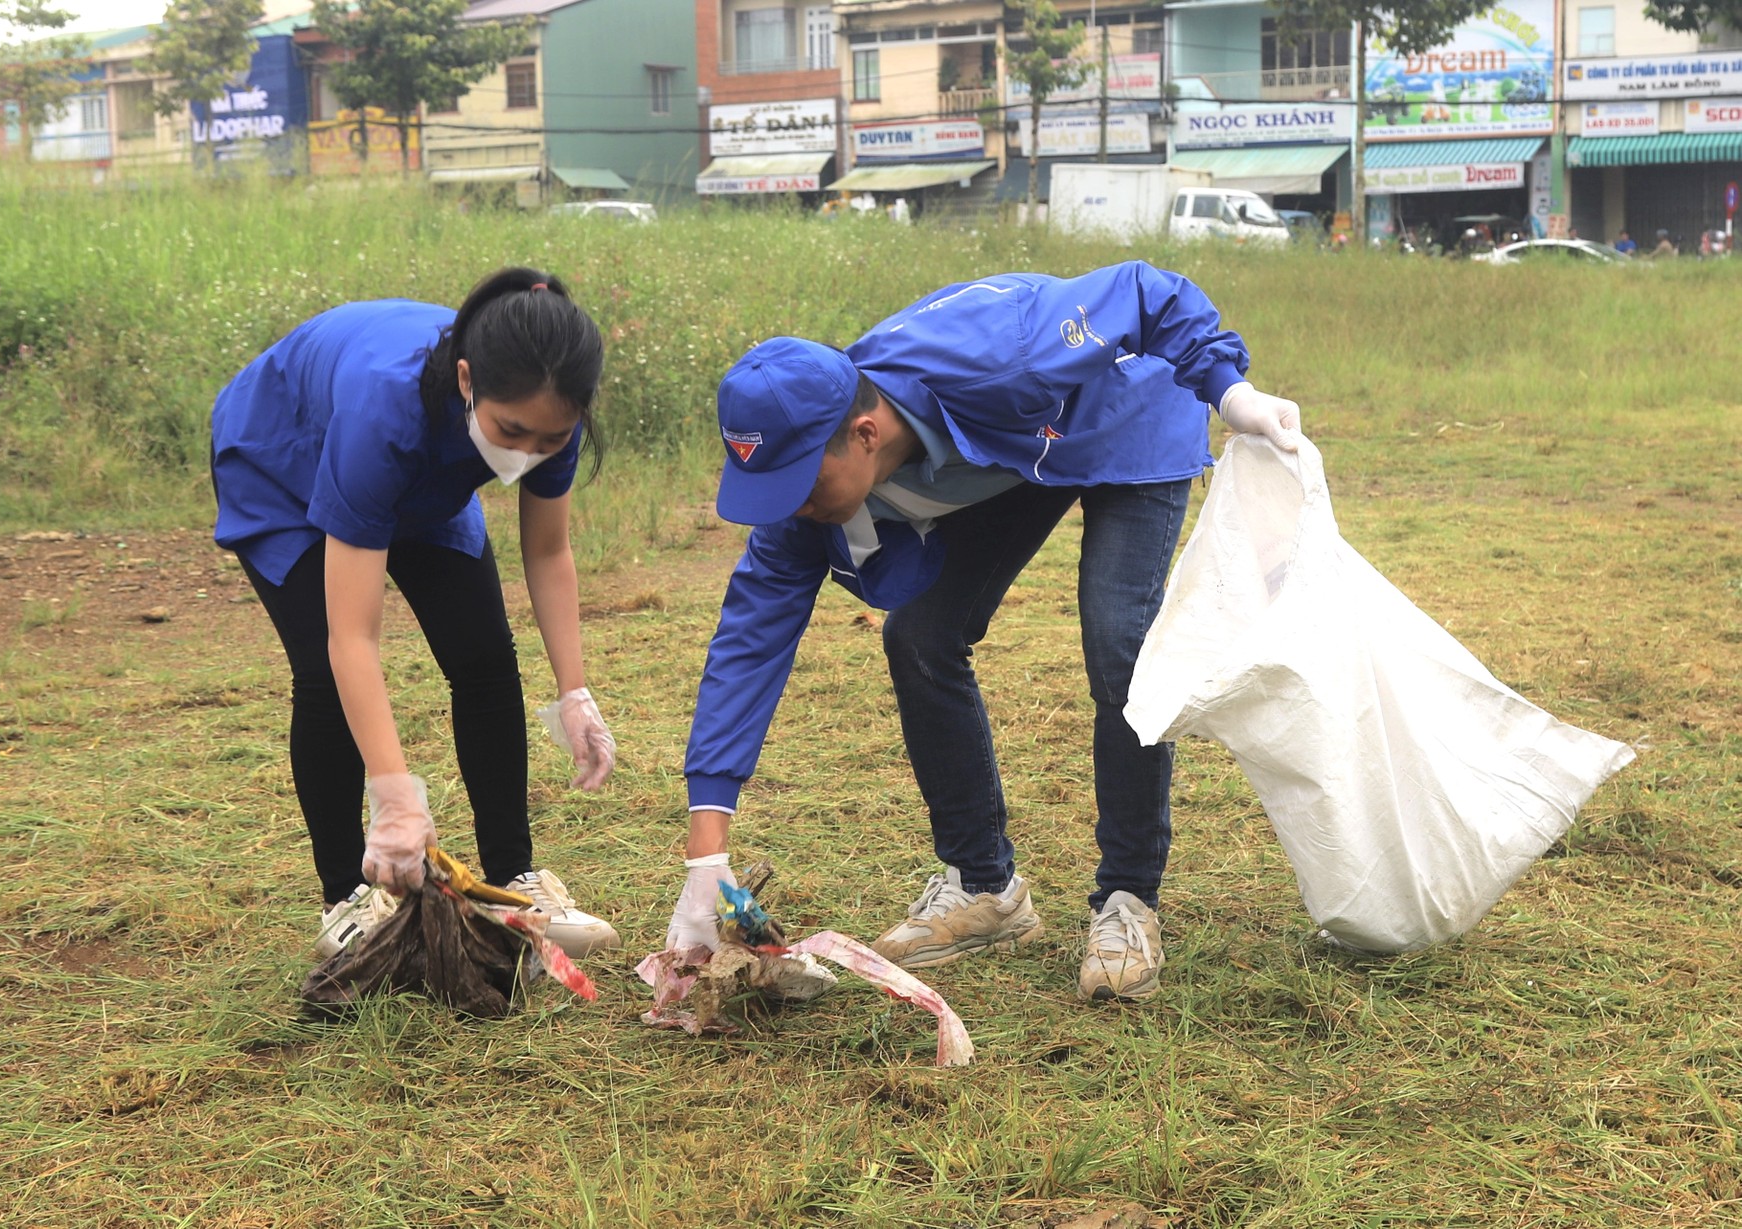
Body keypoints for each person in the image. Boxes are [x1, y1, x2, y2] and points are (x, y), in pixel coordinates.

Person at [663, 262, 1303, 1002]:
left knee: (1117, 641)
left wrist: (1232, 392)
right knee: (919, 635)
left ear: (864, 434)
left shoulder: (1005, 351)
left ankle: (1128, 898)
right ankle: (984, 888)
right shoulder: (806, 485)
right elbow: (748, 647)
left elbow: (1147, 291)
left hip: (1127, 419)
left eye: (800, 488)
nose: (789, 509)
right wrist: (704, 862)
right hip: (1015, 452)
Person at [211, 268, 621, 961]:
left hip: (425, 468)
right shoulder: (385, 411)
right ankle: (346, 898)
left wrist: (574, 691)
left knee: (484, 655)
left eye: (548, 441)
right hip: (287, 459)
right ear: (467, 381)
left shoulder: (551, 414)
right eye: (512, 431)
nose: (525, 455)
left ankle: (512, 880)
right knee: (321, 669)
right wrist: (396, 796)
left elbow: (549, 553)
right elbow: (354, 635)